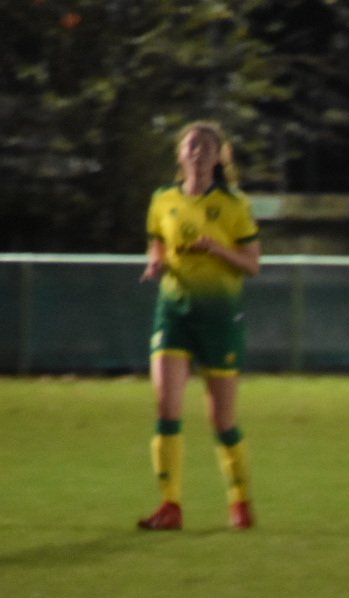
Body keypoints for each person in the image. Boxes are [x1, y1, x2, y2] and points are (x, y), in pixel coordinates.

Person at [136, 121, 262, 532]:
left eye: (207, 147)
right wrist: (155, 260)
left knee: (222, 420)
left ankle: (240, 501)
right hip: (173, 311)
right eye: (192, 145)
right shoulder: (163, 199)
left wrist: (218, 249)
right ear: (180, 153)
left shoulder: (234, 204)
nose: (198, 152)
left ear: (218, 157)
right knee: (166, 410)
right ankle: (170, 505)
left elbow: (252, 264)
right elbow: (158, 239)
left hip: (219, 317)